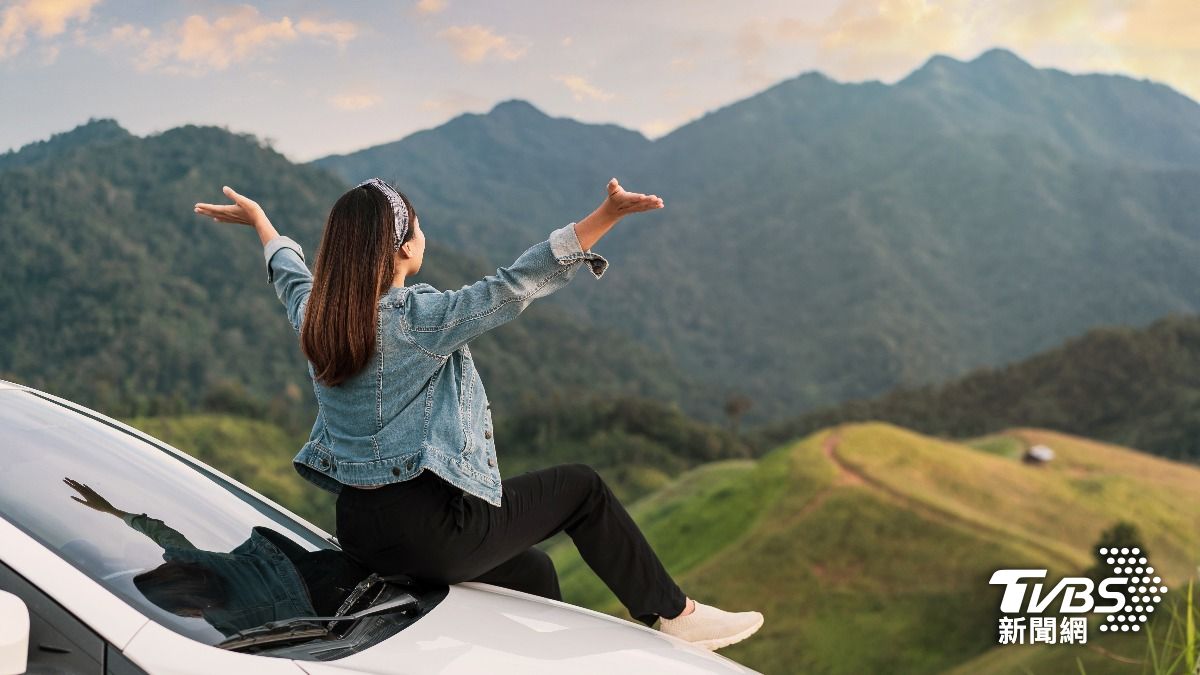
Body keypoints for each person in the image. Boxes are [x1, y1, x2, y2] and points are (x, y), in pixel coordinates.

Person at [193, 177, 764, 651]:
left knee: (533, 571)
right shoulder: (418, 320)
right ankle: (674, 612)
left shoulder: (318, 316)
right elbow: (513, 286)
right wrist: (605, 214)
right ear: (402, 249)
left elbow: (289, 275)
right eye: (416, 228)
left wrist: (264, 224)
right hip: (430, 530)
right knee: (582, 489)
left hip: (362, 531)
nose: (423, 236)